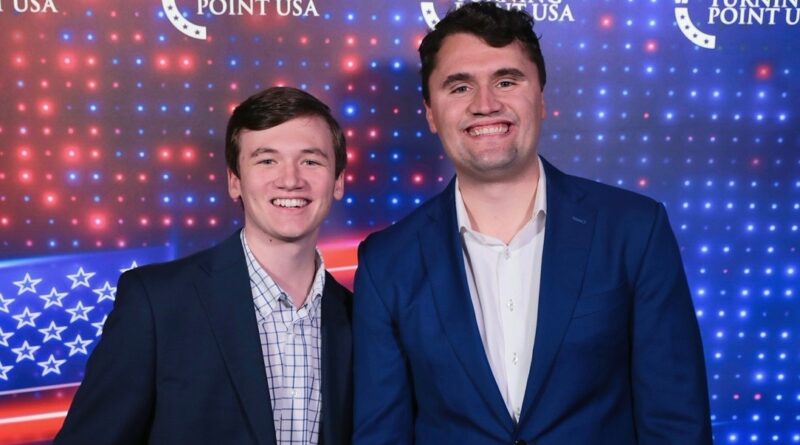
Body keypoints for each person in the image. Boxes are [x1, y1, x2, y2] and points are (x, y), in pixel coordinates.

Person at [352, 3, 711, 444]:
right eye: (460, 87)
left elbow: (676, 423)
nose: (486, 104)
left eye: (506, 81)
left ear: (541, 99)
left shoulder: (634, 230)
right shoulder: (387, 262)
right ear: (430, 112)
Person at [55, 87, 352, 445]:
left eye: (311, 161)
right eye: (266, 161)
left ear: (338, 181)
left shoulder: (359, 317)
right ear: (234, 181)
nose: (290, 180)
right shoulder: (157, 304)